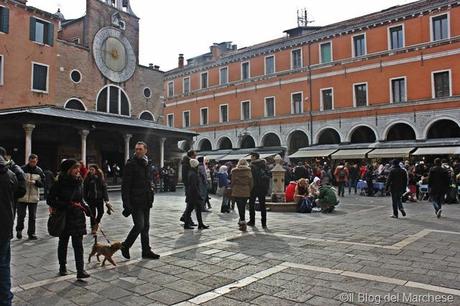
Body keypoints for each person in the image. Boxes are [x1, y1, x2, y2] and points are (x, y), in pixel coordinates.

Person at [47, 159, 90, 279]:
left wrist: (86, 208)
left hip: (77, 216)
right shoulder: (59, 183)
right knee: (63, 242)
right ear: (68, 170)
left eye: (78, 168)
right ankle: (62, 266)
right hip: (64, 217)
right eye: (75, 168)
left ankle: (80, 270)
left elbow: (80, 198)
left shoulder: (79, 182)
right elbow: (50, 200)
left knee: (78, 244)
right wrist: (66, 205)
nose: (78, 170)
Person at [121, 142, 159, 260]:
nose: (138, 151)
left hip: (146, 199)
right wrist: (126, 203)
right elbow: (125, 186)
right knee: (139, 225)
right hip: (135, 200)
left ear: (145, 150)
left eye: (140, 149)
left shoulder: (147, 163)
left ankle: (146, 250)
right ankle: (125, 245)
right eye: (136, 149)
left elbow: (149, 180)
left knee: (146, 226)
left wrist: (151, 191)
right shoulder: (131, 164)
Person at [0, 156, 18, 306]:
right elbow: (20, 191)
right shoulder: (10, 174)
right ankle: (5, 300)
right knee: (3, 264)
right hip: (5, 225)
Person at [16, 154, 44, 240]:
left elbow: (43, 183)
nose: (33, 163)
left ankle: (31, 233)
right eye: (31, 161)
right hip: (22, 196)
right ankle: (19, 230)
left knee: (33, 216)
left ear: (37, 161)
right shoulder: (22, 169)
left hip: (34, 197)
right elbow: (16, 180)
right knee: (21, 215)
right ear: (28, 160)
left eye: (34, 162)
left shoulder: (39, 171)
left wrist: (35, 182)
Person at [83, 165, 109, 236]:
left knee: (101, 212)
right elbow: (84, 190)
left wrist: (106, 200)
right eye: (90, 170)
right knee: (92, 214)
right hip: (91, 199)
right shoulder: (87, 179)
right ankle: (93, 228)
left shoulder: (100, 178)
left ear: (96, 170)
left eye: (92, 170)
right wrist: (85, 198)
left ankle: (96, 224)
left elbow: (104, 189)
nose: (91, 171)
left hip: (99, 198)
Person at [184, 159, 209, 230]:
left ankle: (200, 224)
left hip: (192, 194)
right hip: (193, 195)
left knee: (196, 209)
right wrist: (198, 195)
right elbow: (194, 186)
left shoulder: (192, 172)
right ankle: (188, 224)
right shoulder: (193, 174)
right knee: (190, 210)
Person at [248, 152, 270, 228]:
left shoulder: (251, 166)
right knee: (262, 205)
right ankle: (264, 223)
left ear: (254, 157)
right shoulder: (264, 165)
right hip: (262, 188)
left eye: (251, 156)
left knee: (251, 204)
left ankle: (252, 221)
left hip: (254, 187)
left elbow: (250, 178)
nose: (250, 157)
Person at [231, 159, 253, 231]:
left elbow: (232, 182)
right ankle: (242, 220)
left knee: (240, 207)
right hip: (246, 190)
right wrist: (249, 189)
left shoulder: (234, 171)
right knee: (243, 206)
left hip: (237, 190)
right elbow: (251, 182)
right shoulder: (249, 171)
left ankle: (243, 222)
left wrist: (232, 188)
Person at [180, 150, 197, 226]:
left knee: (190, 204)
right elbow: (185, 176)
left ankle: (186, 218)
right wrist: (188, 185)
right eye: (195, 155)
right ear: (192, 155)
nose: (196, 156)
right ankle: (186, 219)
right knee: (190, 203)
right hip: (189, 186)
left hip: (189, 185)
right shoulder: (187, 163)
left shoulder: (188, 162)